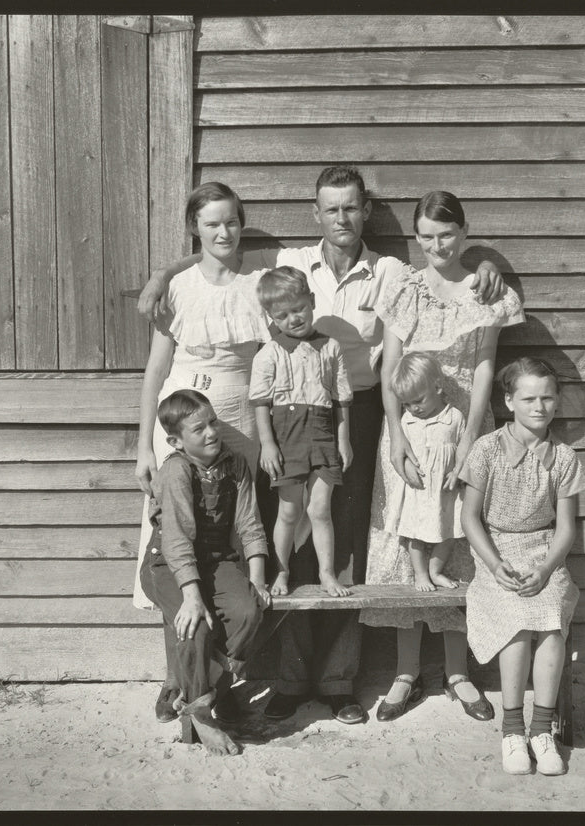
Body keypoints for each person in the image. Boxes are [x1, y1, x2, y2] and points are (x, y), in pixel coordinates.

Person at [138, 166, 505, 725]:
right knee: (288, 534)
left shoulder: (389, 271)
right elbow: (217, 257)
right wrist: (165, 271)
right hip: (284, 422)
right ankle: (287, 679)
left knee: (347, 544)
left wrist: (487, 266)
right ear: (315, 213)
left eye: (352, 208)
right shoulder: (289, 262)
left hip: (353, 416)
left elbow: (446, 271)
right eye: (331, 209)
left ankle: (337, 682)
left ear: (365, 212)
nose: (342, 218)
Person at [361, 191, 526, 724]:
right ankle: (406, 671)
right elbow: (389, 370)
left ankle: (459, 673)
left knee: (457, 542)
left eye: (447, 235)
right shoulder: (405, 289)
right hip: (409, 432)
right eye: (426, 237)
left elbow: (483, 368)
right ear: (415, 238)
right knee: (408, 538)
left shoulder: (483, 290)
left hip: (464, 431)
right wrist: (397, 437)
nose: (437, 246)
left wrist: (472, 440)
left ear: (464, 232)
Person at [132, 182, 271, 725]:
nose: (223, 232)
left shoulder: (258, 282)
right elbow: (156, 371)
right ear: (196, 226)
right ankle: (179, 680)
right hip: (186, 414)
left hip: (238, 416)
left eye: (232, 222)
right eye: (211, 223)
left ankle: (214, 680)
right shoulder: (180, 288)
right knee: (178, 548)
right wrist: (144, 442)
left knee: (229, 546)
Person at [459, 357, 585, 776]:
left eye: (548, 397)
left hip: (544, 553)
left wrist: (548, 569)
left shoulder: (564, 458)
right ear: (508, 400)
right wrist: (494, 564)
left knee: (550, 619)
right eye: (529, 398)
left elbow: (566, 529)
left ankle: (541, 729)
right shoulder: (487, 450)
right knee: (516, 620)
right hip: (495, 552)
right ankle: (512, 730)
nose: (539, 407)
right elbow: (470, 518)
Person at [146, 390, 272, 756]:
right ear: (176, 441)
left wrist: (258, 580)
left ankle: (198, 694)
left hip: (216, 559)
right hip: (169, 564)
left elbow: (250, 523)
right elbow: (177, 538)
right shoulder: (176, 471)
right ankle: (202, 713)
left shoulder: (235, 465)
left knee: (249, 611)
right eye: (198, 429)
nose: (211, 432)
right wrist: (191, 595)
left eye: (213, 422)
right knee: (194, 626)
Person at [249, 267, 354, 598]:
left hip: (323, 434)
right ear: (271, 317)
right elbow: (261, 404)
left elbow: (340, 400)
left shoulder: (331, 347)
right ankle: (281, 572)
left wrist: (344, 440)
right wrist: (267, 444)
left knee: (320, 509)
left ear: (311, 301)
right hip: (287, 436)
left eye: (298, 309)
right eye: (282, 315)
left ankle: (326, 573)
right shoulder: (269, 353)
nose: (293, 319)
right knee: (290, 511)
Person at [385, 353, 465, 592]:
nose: (413, 408)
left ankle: (435, 571)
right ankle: (420, 574)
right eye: (407, 404)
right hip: (418, 490)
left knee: (448, 531)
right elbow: (402, 454)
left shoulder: (454, 418)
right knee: (414, 535)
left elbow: (464, 449)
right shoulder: (407, 421)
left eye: (418, 400)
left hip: (445, 489)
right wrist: (409, 469)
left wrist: (457, 473)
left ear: (438, 387)